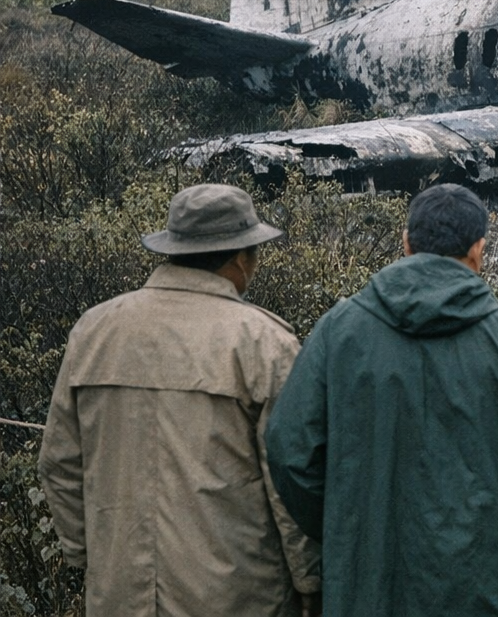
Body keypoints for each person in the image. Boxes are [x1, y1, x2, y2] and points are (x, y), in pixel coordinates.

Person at [265, 183, 498, 617]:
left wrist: (347, 533)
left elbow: (290, 452)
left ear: (405, 243)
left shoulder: (338, 331)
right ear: (479, 250)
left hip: (370, 586)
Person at [38, 183, 320, 616]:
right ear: (241, 259)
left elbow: (59, 464)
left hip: (119, 596)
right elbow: (291, 481)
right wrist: (310, 582)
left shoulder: (94, 331)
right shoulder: (263, 342)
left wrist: (90, 556)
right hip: (237, 598)